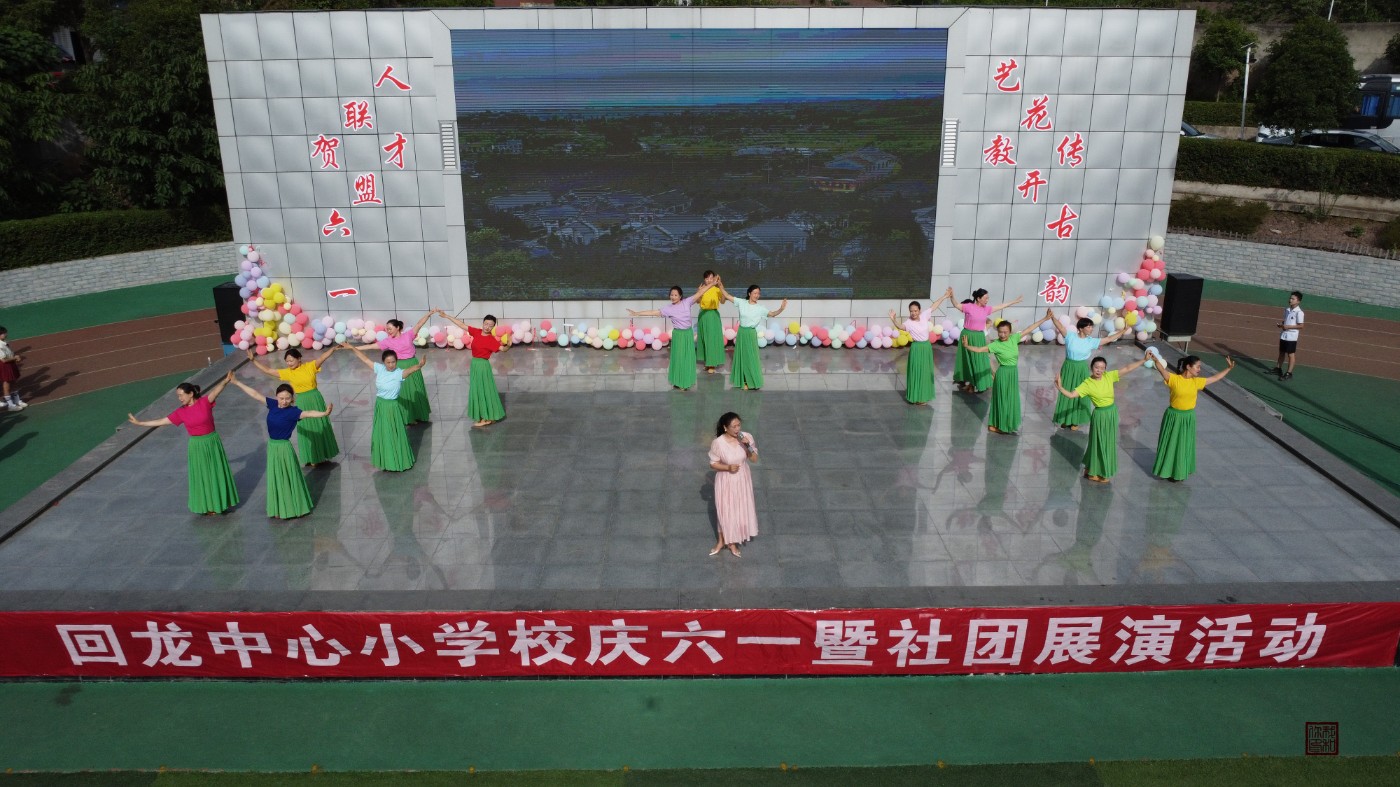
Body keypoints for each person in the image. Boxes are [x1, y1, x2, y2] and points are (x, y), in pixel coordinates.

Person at [127, 373, 240, 514]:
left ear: (191, 394)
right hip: (196, 446)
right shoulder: (181, 412)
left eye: (181, 395)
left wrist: (226, 381)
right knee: (203, 475)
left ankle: (221, 502)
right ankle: (208, 506)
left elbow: (216, 391)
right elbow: (162, 421)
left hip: (212, 442)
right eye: (178, 396)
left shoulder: (204, 402)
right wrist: (140, 423)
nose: (179, 398)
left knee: (216, 472)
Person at [227, 376, 334, 519]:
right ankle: (279, 507)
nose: (284, 401)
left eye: (287, 398)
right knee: (276, 477)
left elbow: (308, 413)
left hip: (284, 448)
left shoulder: (293, 412)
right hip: (272, 446)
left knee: (288, 477)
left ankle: (292, 507)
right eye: (281, 398)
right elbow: (255, 394)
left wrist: (324, 413)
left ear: (292, 399)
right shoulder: (272, 404)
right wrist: (237, 382)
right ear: (276, 396)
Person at [1054, 352, 1149, 483]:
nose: (1099, 370)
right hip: (1100, 415)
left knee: (1108, 442)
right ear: (1092, 368)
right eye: (1097, 367)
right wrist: (1060, 388)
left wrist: (1144, 360)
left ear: (1105, 369)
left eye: (1102, 368)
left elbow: (1127, 368)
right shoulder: (1087, 384)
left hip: (1112, 413)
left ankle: (1092, 468)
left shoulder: (1108, 376)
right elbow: (1071, 395)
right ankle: (1096, 471)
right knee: (1099, 443)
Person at [246, 346, 341, 465]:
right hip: (302, 401)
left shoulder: (310, 366)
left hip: (315, 398)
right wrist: (253, 360)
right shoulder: (288, 373)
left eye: (291, 360)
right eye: (287, 361)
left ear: (299, 358)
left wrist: (333, 349)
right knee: (307, 427)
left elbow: (322, 357)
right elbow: (269, 370)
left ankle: (324, 453)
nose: (289, 363)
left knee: (320, 425)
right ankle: (312, 457)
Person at [1149, 353, 1236, 482]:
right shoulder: (1174, 379)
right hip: (1173, 416)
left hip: (1188, 418)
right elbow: (1162, 370)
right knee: (1170, 444)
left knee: (1182, 445)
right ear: (1188, 367)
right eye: (1198, 366)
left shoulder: (1196, 382)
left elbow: (1215, 378)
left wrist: (1228, 369)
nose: (1199, 369)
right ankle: (1165, 470)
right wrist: (1156, 360)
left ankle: (1178, 472)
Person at [1046, 310, 1129, 431]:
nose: (1091, 329)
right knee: (1066, 391)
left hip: (1081, 369)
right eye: (1088, 327)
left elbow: (1109, 339)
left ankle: (1076, 420)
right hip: (1068, 367)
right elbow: (1060, 327)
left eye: (1091, 327)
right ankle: (1066, 419)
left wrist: (1123, 331)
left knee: (1081, 394)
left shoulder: (1091, 341)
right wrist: (1052, 317)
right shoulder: (1070, 336)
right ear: (1080, 328)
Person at [346, 346, 425, 471]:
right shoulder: (380, 369)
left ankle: (397, 460)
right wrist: (351, 348)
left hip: (391, 407)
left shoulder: (399, 373)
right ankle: (386, 461)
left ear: (396, 361)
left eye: (393, 362)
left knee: (393, 433)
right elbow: (365, 359)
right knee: (383, 433)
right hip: (380, 405)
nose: (391, 365)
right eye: (388, 362)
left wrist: (419, 365)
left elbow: (410, 370)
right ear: (384, 362)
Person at [627, 281, 716, 391]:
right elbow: (653, 312)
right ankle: (678, 381)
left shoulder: (687, 302)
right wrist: (637, 313)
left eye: (675, 295)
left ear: (680, 296)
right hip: (678, 335)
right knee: (678, 358)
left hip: (688, 334)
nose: (673, 297)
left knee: (687, 358)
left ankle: (685, 382)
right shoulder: (668, 309)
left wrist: (712, 284)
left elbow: (700, 293)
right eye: (671, 295)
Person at [961, 317, 1039, 434]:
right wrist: (967, 346)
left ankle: (1006, 423)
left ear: (1010, 331)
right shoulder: (995, 345)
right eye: (1000, 332)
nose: (1002, 335)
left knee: (1010, 398)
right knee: (1002, 399)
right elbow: (979, 350)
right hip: (1003, 374)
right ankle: (997, 424)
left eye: (1005, 332)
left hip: (1013, 373)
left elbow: (1029, 329)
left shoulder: (1014, 338)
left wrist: (1045, 318)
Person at [435, 310, 508, 427]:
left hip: (483, 366)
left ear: (493, 327)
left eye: (491, 325)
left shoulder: (491, 339)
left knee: (483, 389)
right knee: (478, 389)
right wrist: (447, 316)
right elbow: (461, 325)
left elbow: (503, 349)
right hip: (475, 364)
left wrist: (508, 344)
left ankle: (487, 418)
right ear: (483, 323)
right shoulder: (477, 332)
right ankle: (488, 415)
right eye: (486, 324)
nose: (487, 327)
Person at [362, 314, 433, 423]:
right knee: (403, 392)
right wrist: (352, 348)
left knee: (417, 390)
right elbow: (370, 346)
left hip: (413, 363)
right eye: (387, 329)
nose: (388, 331)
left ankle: (419, 414)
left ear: (397, 327)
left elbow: (419, 324)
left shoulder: (409, 335)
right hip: (399, 367)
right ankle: (408, 418)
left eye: (390, 328)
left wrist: (429, 313)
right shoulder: (387, 341)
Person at [888, 288, 954, 404]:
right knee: (916, 371)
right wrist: (894, 320)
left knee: (925, 371)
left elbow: (934, 305)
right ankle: (916, 397)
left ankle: (923, 395)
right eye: (911, 311)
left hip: (926, 347)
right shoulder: (909, 322)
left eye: (915, 311)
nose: (913, 313)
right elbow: (901, 327)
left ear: (919, 310)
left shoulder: (924, 315)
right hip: (917, 348)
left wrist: (944, 297)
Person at [951, 288, 1023, 393]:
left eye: (988, 298)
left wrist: (1014, 301)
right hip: (967, 335)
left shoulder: (986, 309)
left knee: (979, 360)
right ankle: (970, 383)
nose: (987, 300)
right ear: (978, 298)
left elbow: (1001, 306)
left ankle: (978, 383)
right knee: (967, 360)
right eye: (985, 298)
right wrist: (951, 295)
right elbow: (956, 304)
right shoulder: (969, 307)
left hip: (979, 337)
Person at [708, 411, 758, 557]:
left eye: (738, 425)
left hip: (742, 479)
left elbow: (754, 459)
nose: (737, 429)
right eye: (734, 427)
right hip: (726, 480)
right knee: (724, 511)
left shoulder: (746, 437)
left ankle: (732, 542)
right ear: (725, 427)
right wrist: (728, 467)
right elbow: (713, 463)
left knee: (738, 509)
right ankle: (721, 541)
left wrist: (747, 445)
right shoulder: (718, 443)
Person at [727, 285, 788, 390]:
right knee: (742, 356)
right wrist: (720, 286)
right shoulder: (742, 302)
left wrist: (781, 309)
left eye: (758, 293)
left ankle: (752, 381)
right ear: (749, 293)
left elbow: (772, 314)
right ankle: (743, 380)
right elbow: (728, 296)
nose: (757, 295)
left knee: (751, 357)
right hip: (741, 332)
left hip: (751, 333)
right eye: (755, 293)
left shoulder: (760, 308)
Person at [695, 270, 727, 374]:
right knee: (704, 339)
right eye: (707, 278)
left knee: (711, 339)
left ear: (714, 279)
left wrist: (721, 288)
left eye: (711, 278)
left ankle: (712, 363)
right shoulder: (702, 289)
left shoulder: (716, 289)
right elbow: (697, 301)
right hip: (703, 315)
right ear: (704, 279)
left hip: (713, 315)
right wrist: (699, 292)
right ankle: (707, 362)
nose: (709, 280)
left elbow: (723, 301)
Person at [1272, 291, 1305, 381]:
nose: (1290, 300)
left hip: (1292, 337)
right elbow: (1286, 321)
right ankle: (1278, 369)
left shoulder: (1299, 312)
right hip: (1284, 335)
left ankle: (1289, 373)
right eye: (1290, 298)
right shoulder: (1287, 310)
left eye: (1293, 299)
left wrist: (1288, 327)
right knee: (1281, 352)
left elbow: (1301, 326)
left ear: (1298, 301)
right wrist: (1282, 325)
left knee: (1291, 354)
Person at [0, 326, 25, 410]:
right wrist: (15, 358)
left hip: (10, 364)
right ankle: (10, 405)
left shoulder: (4, 342)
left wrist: (15, 357)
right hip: (5, 366)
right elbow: (3, 360)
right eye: (3, 333)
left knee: (14, 381)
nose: (6, 334)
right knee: (6, 383)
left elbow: (9, 354)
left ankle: (17, 400)